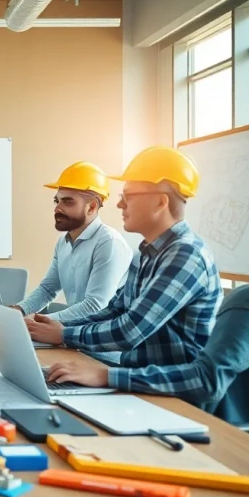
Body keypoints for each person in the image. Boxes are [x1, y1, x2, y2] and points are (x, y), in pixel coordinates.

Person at [28, 146, 223, 394]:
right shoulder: (145, 252)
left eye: (128, 196)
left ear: (160, 202)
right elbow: (115, 310)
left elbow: (130, 330)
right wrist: (58, 330)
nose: (119, 204)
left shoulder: (185, 255)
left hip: (169, 394)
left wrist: (65, 335)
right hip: (136, 381)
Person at [46, 282, 249, 426]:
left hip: (215, 429)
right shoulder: (147, 262)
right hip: (181, 404)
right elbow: (119, 312)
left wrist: (108, 376)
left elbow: (206, 381)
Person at [15, 162, 132, 365]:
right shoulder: (63, 242)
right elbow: (47, 289)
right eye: (57, 201)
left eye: (67, 202)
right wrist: (19, 311)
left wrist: (39, 323)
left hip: (104, 355)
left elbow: (96, 305)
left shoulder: (109, 243)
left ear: (92, 206)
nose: (57, 208)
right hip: (72, 343)